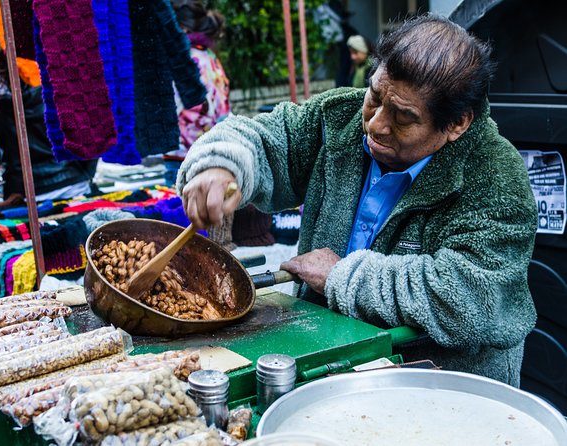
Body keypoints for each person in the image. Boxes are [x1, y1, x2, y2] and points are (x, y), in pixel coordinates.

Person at [177, 14, 537, 386]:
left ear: (457, 124)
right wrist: (221, 165)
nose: (376, 124)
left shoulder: (495, 175)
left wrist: (342, 277)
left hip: (441, 388)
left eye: (403, 118)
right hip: (327, 365)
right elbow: (269, 137)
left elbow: (473, 296)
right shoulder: (341, 118)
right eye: (375, 98)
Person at [0, 50, 98, 204]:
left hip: (22, 192)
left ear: (1, 67)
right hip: (70, 183)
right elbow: (89, 135)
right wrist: (84, 173)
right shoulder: (57, 88)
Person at [172, 0, 230, 151]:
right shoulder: (208, 55)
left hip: (186, 150)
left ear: (182, 28)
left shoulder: (185, 59)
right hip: (211, 145)